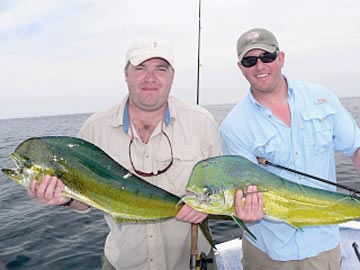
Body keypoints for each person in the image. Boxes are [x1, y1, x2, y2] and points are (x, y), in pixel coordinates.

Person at [27, 36, 223, 270]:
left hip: (191, 261)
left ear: (172, 76)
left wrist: (207, 206)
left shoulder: (202, 122)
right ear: (126, 73)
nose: (150, 78)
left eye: (160, 69)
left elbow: (220, 189)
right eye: (140, 68)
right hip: (123, 263)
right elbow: (83, 203)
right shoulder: (94, 128)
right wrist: (65, 198)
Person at [220, 28, 360, 270]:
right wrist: (241, 210)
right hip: (268, 252)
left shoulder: (322, 98)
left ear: (281, 57)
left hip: (323, 247)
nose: (260, 65)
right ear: (241, 67)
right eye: (250, 60)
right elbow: (242, 188)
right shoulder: (234, 126)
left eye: (267, 57)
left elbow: (356, 148)